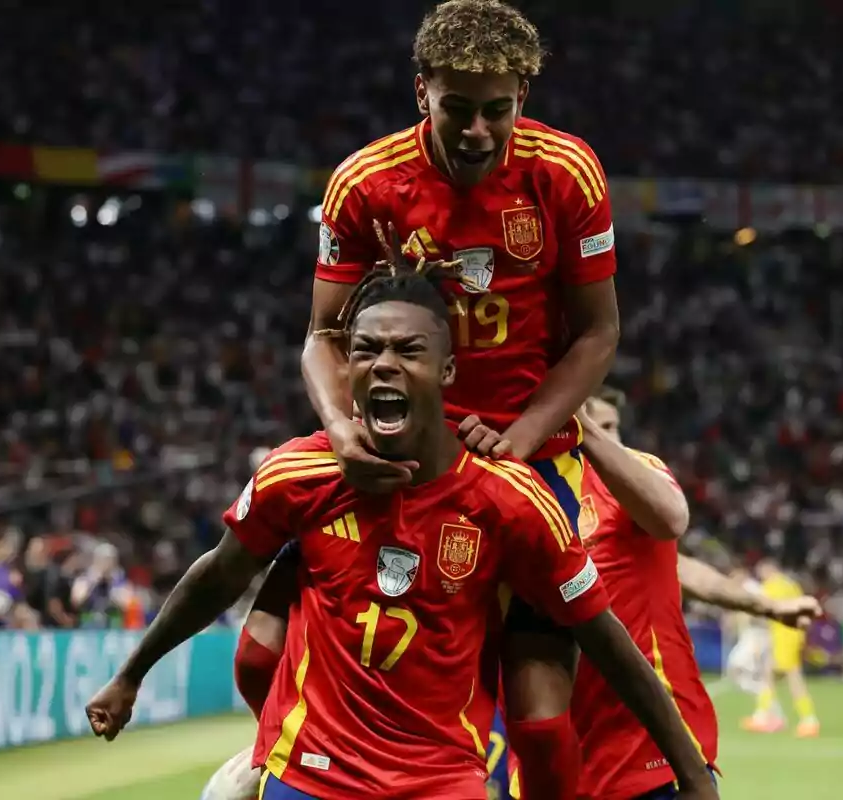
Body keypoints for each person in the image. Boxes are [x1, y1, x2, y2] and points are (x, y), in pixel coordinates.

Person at [87, 264, 717, 800]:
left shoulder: (510, 500)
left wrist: (693, 775)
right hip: (311, 777)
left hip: (438, 782)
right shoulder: (299, 473)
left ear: (447, 371)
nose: (384, 365)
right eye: (367, 350)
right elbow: (219, 573)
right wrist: (130, 674)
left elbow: (605, 640)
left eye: (408, 350)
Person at [237, 2, 622, 796]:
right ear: (423, 93)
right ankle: (280, 764)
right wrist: (343, 433)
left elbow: (597, 334)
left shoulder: (567, 173)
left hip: (523, 458)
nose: (479, 129)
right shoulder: (366, 181)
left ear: (522, 95)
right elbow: (322, 335)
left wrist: (520, 438)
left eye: (498, 110)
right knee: (258, 656)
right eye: (458, 108)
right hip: (388, 453)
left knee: (544, 726)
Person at [470, 387, 819, 799]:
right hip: (550, 759)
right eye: (599, 423)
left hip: (652, 755)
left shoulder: (634, 476)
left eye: (612, 426)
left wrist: (769, 606)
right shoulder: (502, 486)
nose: (608, 434)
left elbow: (674, 534)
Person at [742, 559, 821, 737]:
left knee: (793, 677)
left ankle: (809, 719)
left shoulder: (772, 585)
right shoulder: (791, 585)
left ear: (769, 569)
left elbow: (764, 608)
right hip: (794, 634)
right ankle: (762, 716)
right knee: (769, 675)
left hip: (783, 635)